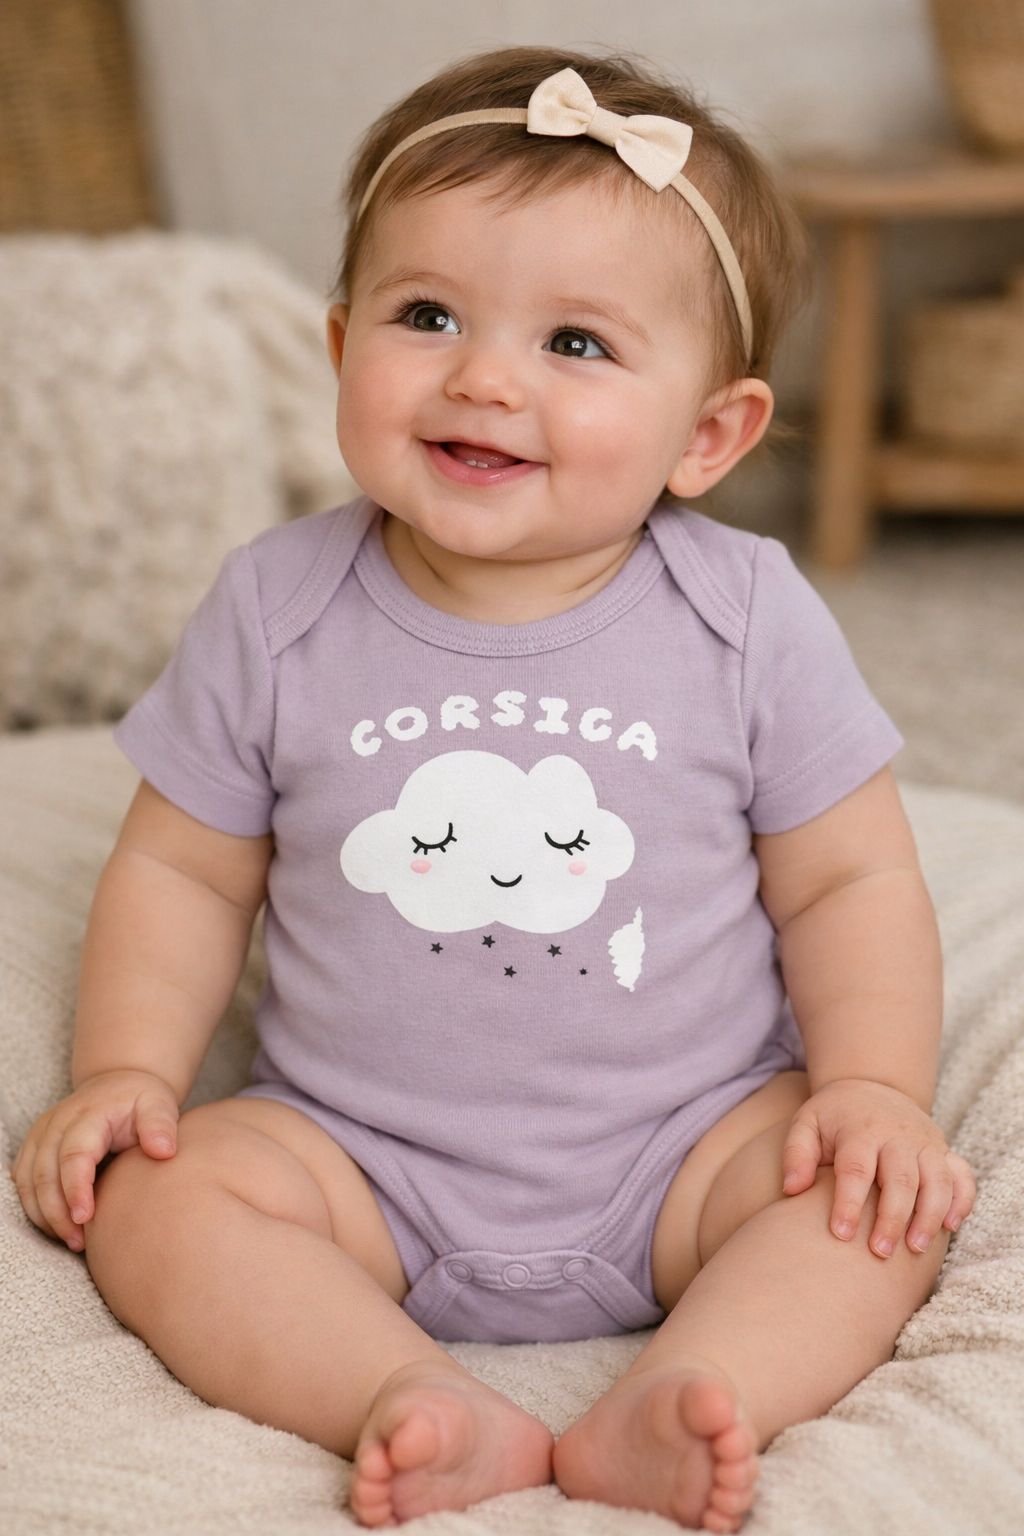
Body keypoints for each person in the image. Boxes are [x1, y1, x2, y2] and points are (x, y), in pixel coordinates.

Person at [12, 46, 975, 1534]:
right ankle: (403, 1394)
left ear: (708, 435)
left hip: (690, 1147)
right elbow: (183, 869)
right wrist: (126, 1070)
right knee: (153, 1195)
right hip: (358, 1161)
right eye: (427, 316)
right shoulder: (276, 607)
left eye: (576, 343)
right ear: (342, 344)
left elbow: (849, 877)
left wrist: (869, 1092)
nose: (484, 377)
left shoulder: (745, 617)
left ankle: (693, 1387)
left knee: (870, 1207)